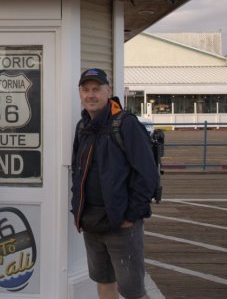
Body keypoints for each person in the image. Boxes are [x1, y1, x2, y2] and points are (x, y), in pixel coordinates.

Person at [70, 68, 158, 299]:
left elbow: (148, 174)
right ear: (80, 93)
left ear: (108, 91)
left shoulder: (126, 124)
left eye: (96, 89)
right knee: (104, 280)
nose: (91, 95)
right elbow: (77, 172)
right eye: (86, 90)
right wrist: (78, 210)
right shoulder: (82, 127)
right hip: (91, 222)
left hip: (121, 224)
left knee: (133, 291)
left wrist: (130, 216)